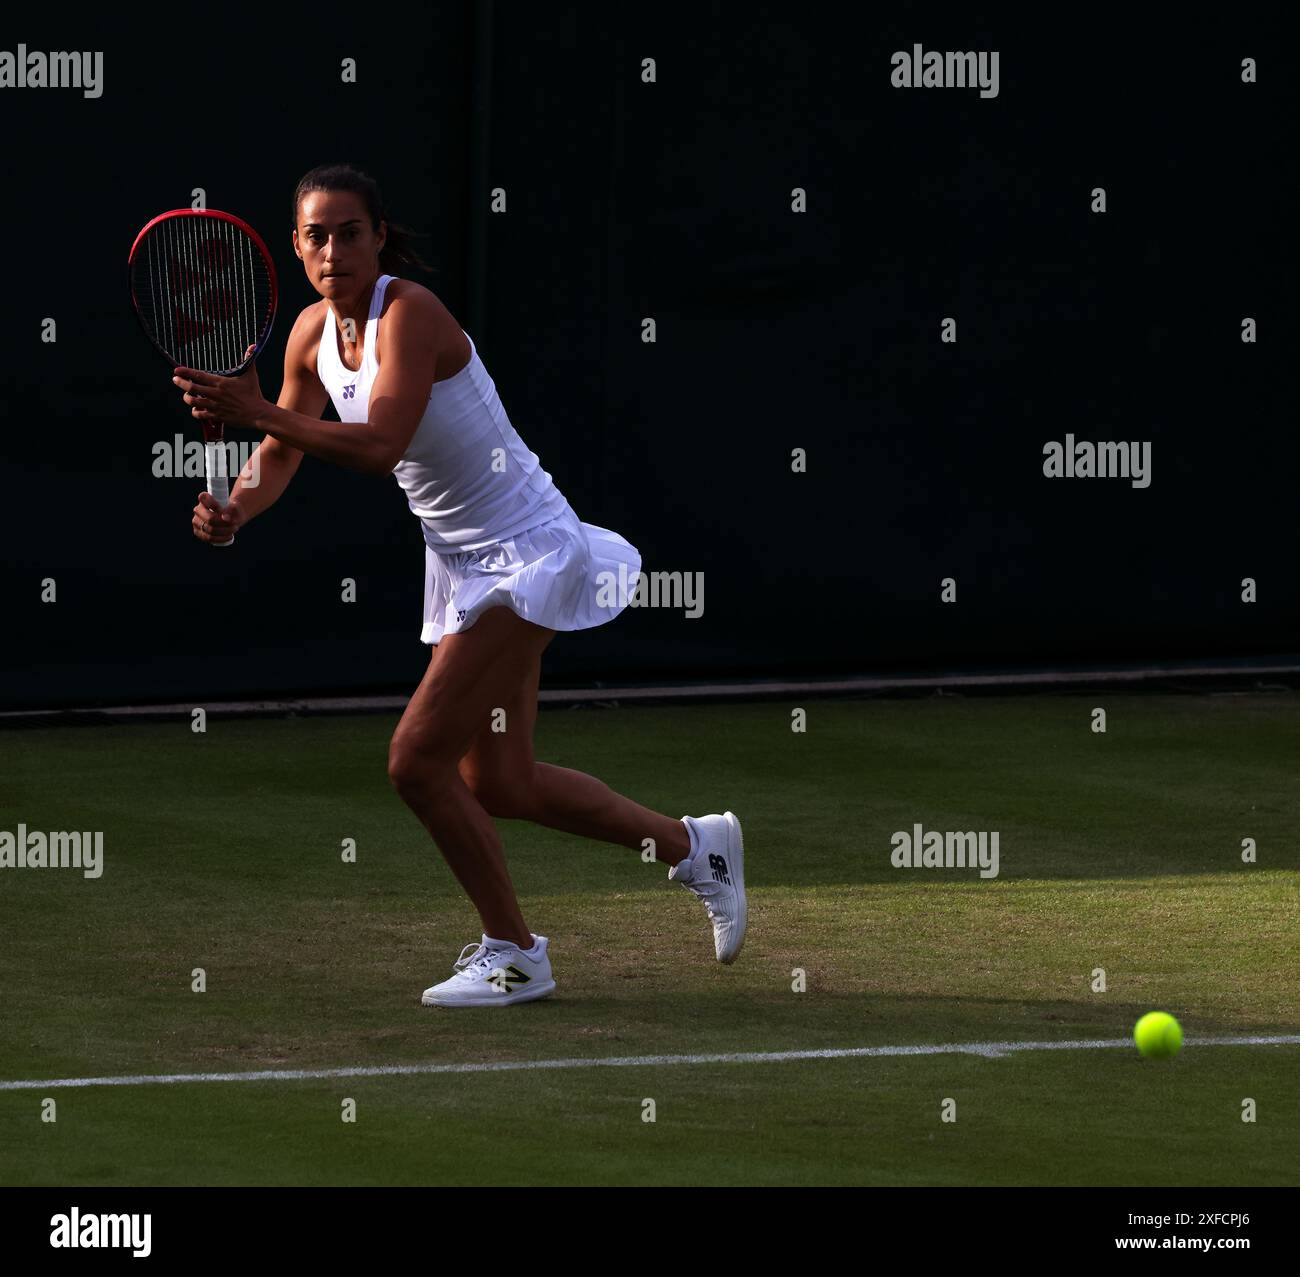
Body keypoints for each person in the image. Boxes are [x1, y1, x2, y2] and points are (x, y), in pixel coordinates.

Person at [172, 163, 746, 1007]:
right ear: (296, 247)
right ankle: (697, 848)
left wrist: (256, 411)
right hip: (462, 563)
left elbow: (375, 445)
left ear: (378, 237)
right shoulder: (305, 335)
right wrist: (235, 507)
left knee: (415, 761)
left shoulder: (410, 314)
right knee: (500, 783)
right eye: (316, 236)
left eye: (350, 232)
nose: (334, 249)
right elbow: (285, 451)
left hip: (528, 553)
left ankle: (515, 952)